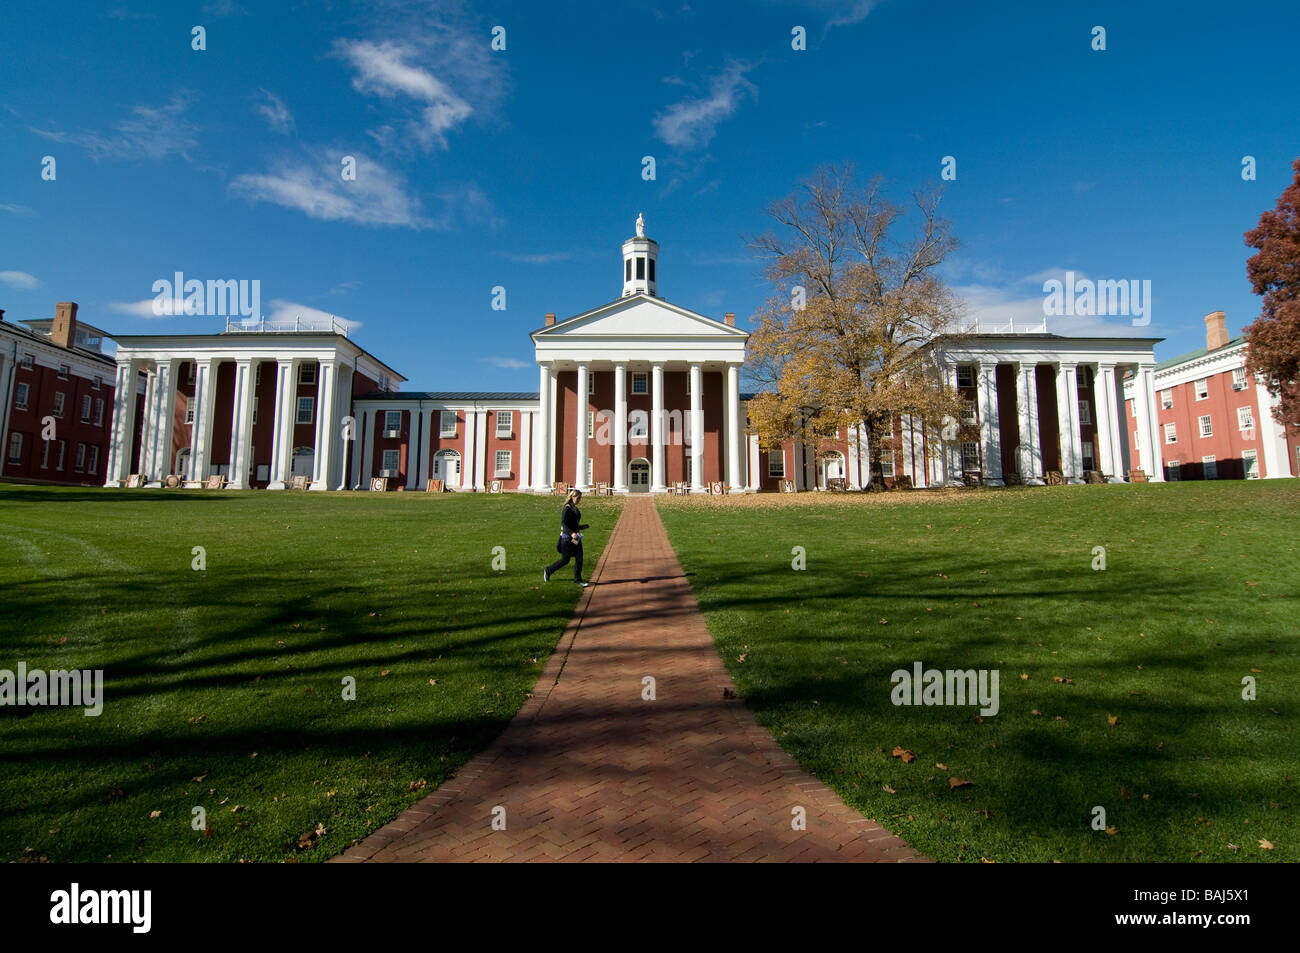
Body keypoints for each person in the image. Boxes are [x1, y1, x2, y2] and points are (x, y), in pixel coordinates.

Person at [544, 488, 590, 586]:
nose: (579, 500)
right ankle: (548, 570)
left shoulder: (575, 508)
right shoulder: (567, 508)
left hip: (576, 538)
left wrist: (582, 527)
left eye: (580, 498)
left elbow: (574, 524)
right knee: (565, 560)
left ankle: (578, 579)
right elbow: (564, 524)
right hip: (566, 538)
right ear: (572, 497)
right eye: (578, 498)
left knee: (579, 557)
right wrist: (571, 533)